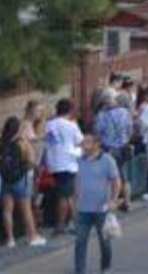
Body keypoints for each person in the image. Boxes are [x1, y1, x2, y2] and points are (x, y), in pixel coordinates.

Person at [72, 134, 120, 274]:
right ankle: (80, 270)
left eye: (87, 142)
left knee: (104, 242)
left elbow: (116, 181)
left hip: (102, 209)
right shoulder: (80, 160)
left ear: (96, 144)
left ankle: (106, 267)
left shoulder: (107, 160)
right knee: (80, 241)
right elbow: (77, 181)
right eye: (83, 142)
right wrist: (74, 203)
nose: (83, 145)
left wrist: (113, 200)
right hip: (83, 209)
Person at [0, 117, 45, 248]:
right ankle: (32, 236)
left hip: (5, 180)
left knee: (7, 210)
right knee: (26, 210)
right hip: (20, 180)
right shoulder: (21, 142)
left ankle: (10, 239)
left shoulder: (2, 143)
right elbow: (32, 161)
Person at [43, 98, 83, 236]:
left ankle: (65, 224)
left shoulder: (49, 125)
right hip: (69, 163)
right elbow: (81, 141)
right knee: (67, 195)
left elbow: (50, 142)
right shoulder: (71, 125)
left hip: (54, 163)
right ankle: (67, 224)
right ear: (70, 110)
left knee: (64, 194)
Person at [94, 92, 133, 210]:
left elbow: (98, 132)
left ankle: (113, 202)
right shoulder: (124, 112)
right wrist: (126, 140)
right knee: (123, 174)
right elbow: (130, 129)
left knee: (110, 177)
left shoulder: (102, 115)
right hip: (123, 146)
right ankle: (127, 202)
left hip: (109, 148)